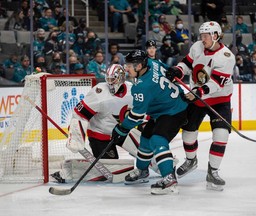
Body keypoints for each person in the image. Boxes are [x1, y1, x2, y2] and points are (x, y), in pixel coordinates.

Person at [165, 21, 235, 191]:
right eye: (201, 36)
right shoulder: (197, 47)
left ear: (216, 36)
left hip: (219, 100)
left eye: (206, 36)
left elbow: (216, 83)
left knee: (221, 135)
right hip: (197, 97)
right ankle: (191, 161)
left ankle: (213, 171)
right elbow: (187, 64)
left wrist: (200, 91)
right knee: (188, 133)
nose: (202, 39)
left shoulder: (226, 57)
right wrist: (178, 70)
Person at [111, 50, 188, 195]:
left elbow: (137, 117)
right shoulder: (152, 62)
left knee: (157, 140)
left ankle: (169, 179)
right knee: (145, 140)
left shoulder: (141, 86)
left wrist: (122, 129)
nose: (126, 68)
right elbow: (170, 70)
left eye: (129, 65)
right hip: (165, 108)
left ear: (139, 66)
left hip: (174, 111)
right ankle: (142, 170)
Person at [51, 64, 135, 183]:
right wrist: (76, 137)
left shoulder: (132, 89)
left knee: (145, 149)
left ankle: (162, 164)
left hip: (122, 131)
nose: (110, 82)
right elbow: (79, 114)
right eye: (108, 79)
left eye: (113, 79)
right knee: (107, 170)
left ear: (121, 78)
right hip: (100, 135)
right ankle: (67, 172)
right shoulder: (99, 92)